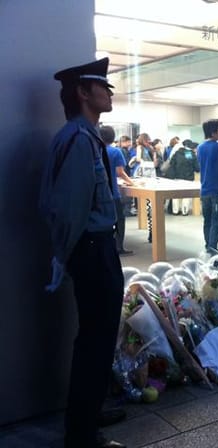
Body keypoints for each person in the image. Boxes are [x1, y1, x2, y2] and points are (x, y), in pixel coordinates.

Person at [38, 57, 126, 448]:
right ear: (82, 92)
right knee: (95, 338)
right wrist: (63, 255)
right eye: (101, 86)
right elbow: (68, 207)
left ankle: (90, 409)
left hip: (95, 246)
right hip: (91, 249)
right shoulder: (77, 139)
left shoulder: (85, 136)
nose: (109, 92)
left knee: (98, 335)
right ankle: (82, 433)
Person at [100, 125, 134, 255]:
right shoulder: (115, 152)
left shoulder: (96, 150)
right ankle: (119, 247)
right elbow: (120, 172)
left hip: (99, 193)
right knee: (119, 219)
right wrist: (132, 182)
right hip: (112, 193)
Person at [198, 119, 218, 254]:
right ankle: (212, 247)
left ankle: (208, 245)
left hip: (205, 191)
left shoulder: (200, 147)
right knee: (217, 220)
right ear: (214, 132)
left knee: (207, 220)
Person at [170, 140, 200, 216]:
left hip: (176, 177)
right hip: (188, 178)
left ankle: (175, 211)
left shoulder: (177, 153)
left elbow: (171, 164)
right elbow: (197, 168)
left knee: (175, 195)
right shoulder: (190, 154)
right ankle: (184, 211)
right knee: (186, 195)